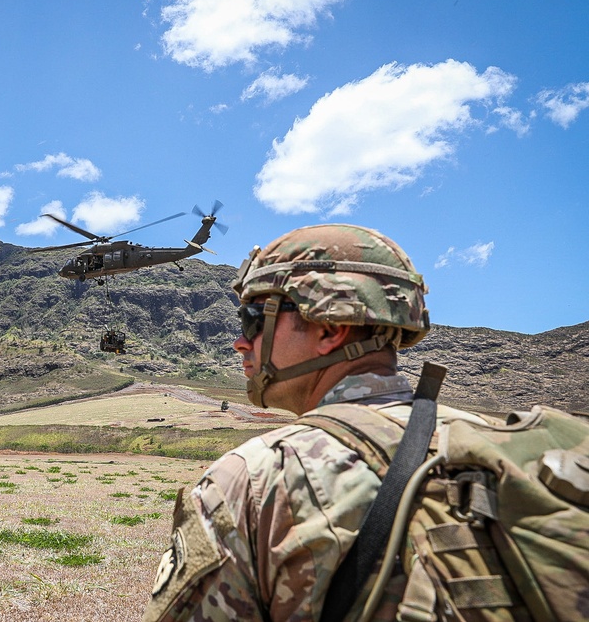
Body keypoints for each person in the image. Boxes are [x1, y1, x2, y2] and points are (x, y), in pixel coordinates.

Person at [140, 224, 497, 622]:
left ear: (328, 329)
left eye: (253, 320)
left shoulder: (256, 478)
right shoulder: (535, 447)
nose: (241, 342)